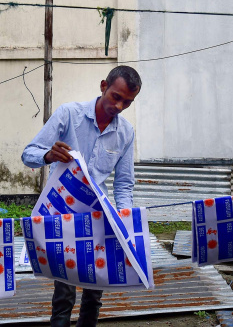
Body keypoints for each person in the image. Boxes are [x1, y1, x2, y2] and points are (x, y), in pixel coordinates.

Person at [21, 65, 142, 327]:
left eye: (128, 102)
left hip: (99, 218)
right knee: (64, 291)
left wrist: (125, 220)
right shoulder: (69, 114)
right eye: (116, 97)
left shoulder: (126, 133)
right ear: (103, 86)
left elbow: (123, 184)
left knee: (94, 290)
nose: (120, 106)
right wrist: (48, 155)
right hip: (63, 217)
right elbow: (28, 153)